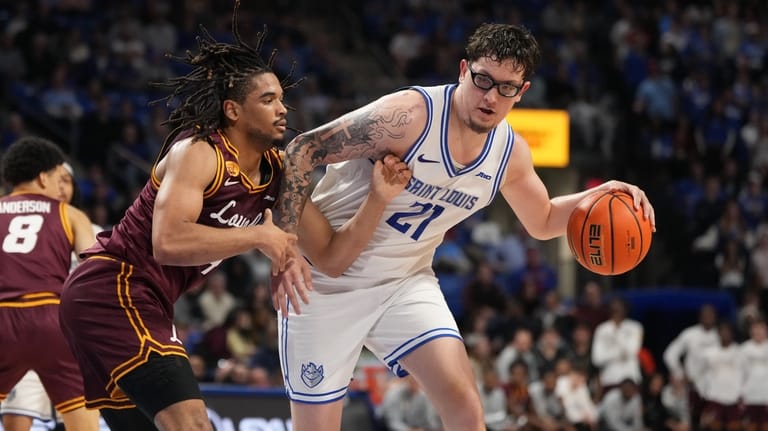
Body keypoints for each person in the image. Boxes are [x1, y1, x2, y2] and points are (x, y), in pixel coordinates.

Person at [274, 22, 656, 431]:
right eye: (482, 80)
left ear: (522, 91)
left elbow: (543, 220)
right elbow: (301, 150)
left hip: (403, 283)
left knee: (466, 410)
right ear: (463, 70)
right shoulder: (407, 116)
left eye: (506, 87)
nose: (491, 96)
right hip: (325, 282)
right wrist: (283, 252)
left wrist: (599, 196)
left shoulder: (510, 153)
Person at [57, 5, 412, 431]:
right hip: (115, 287)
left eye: (282, 98)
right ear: (233, 110)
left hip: (142, 300)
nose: (283, 109)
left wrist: (377, 198)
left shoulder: (280, 172)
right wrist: (259, 238)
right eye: (267, 99)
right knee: (193, 425)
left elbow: (333, 258)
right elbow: (167, 242)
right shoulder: (200, 153)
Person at [0, 136, 100, 431]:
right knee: (84, 424)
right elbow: (96, 272)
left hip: (2, 316)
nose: (62, 187)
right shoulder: (70, 214)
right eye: (59, 178)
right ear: (43, 178)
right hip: (51, 317)